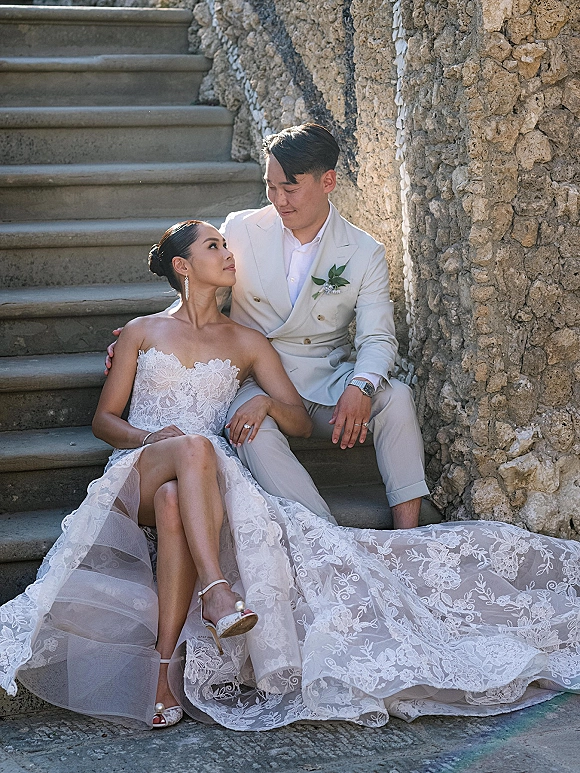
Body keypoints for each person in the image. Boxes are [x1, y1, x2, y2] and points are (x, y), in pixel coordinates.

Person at [2, 219, 580, 732]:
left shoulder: (246, 342)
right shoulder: (140, 332)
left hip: (200, 484)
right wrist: (149, 438)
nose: (229, 253)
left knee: (182, 497)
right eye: (214, 246)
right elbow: (104, 420)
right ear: (183, 266)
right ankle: (217, 589)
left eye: (228, 244)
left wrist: (266, 407)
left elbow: (300, 420)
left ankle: (163, 672)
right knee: (189, 451)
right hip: (141, 467)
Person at [107, 123, 429, 530]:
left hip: (328, 381)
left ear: (327, 180)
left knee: (397, 396)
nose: (278, 200)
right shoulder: (241, 227)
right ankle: (325, 535)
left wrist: (360, 385)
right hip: (255, 379)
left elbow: (378, 336)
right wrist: (156, 333)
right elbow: (204, 285)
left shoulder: (364, 252)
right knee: (250, 429)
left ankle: (408, 531)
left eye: (289, 188)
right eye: (270, 186)